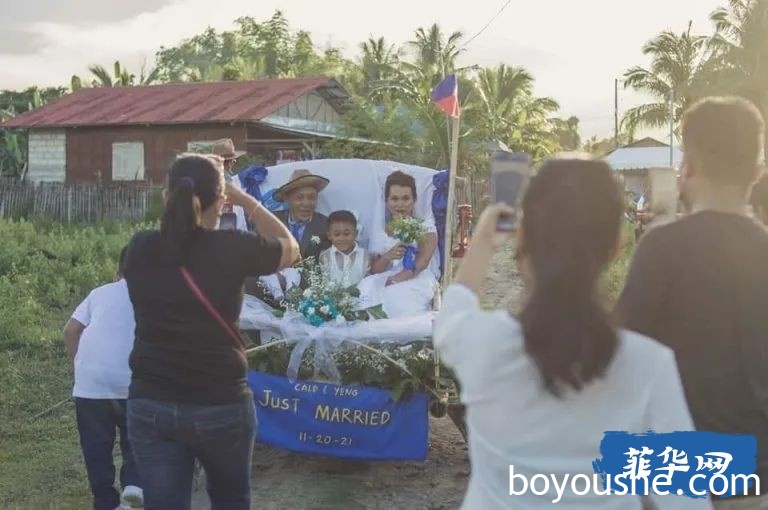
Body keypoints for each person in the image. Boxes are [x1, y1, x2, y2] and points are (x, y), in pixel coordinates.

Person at [435, 157, 705, 509]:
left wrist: (484, 241)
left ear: (524, 239)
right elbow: (684, 502)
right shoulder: (649, 366)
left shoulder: (482, 345)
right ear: (616, 248)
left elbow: (451, 316)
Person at [123, 154, 299, 510]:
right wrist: (248, 200)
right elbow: (291, 248)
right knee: (231, 501)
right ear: (222, 202)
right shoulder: (232, 246)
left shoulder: (140, 248)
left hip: (151, 400)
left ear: (166, 197)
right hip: (220, 402)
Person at [616, 97, 768, 509]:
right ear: (756, 172)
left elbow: (622, 358)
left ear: (688, 168)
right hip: (755, 472)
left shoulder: (663, 247)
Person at [63, 247, 143, 510]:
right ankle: (134, 484)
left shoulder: (99, 293)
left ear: (117, 272)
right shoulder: (154, 296)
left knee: (96, 448)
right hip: (133, 382)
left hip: (90, 384)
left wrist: (78, 364)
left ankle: (106, 502)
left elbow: (72, 329)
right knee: (137, 437)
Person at [357, 170, 439, 317]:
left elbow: (424, 260)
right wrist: (387, 257)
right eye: (394, 199)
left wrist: (400, 277)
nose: (400, 204)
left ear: (414, 200)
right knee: (366, 287)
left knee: (397, 295)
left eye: (406, 198)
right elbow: (375, 269)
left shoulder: (425, 226)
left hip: (416, 275)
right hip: (386, 275)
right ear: (387, 201)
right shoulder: (379, 230)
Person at [274, 168, 332, 261]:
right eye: (299, 197)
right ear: (287, 198)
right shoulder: (271, 220)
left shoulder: (326, 226)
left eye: (311, 197)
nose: (306, 203)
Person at [319, 210, 371, 287]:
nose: (342, 238)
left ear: (356, 233)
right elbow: (325, 284)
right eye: (337, 235)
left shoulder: (365, 256)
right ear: (329, 236)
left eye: (346, 234)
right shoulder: (325, 256)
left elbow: (368, 283)